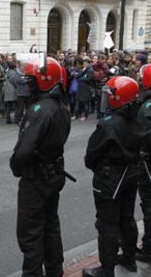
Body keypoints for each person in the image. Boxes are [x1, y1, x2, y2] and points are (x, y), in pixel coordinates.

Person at [10, 56, 71, 277]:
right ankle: (55, 271)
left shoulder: (40, 109)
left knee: (31, 234)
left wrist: (15, 166)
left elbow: (23, 150)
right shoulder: (60, 105)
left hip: (36, 179)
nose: (29, 84)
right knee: (50, 227)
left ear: (44, 80)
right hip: (53, 175)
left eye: (33, 80)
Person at [83, 76, 143, 277]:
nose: (108, 98)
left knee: (107, 222)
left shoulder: (109, 123)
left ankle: (106, 269)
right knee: (127, 217)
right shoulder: (137, 117)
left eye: (111, 94)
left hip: (111, 177)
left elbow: (91, 155)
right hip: (131, 172)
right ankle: (129, 259)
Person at [136, 64, 151, 264]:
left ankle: (148, 249)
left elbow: (143, 136)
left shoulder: (147, 107)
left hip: (148, 164)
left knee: (149, 207)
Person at [3, 59, 18, 124]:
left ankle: (8, 119)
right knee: (16, 106)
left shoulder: (7, 73)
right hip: (13, 92)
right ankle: (16, 119)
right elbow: (15, 82)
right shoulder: (14, 73)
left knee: (8, 106)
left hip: (7, 91)